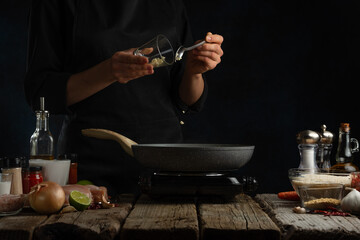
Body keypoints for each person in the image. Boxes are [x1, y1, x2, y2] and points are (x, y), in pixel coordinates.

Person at [24, 0, 224, 195]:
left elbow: (187, 100)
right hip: (92, 165)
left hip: (164, 162)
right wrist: (108, 72)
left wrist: (194, 72)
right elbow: (40, 93)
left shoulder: (171, 4)